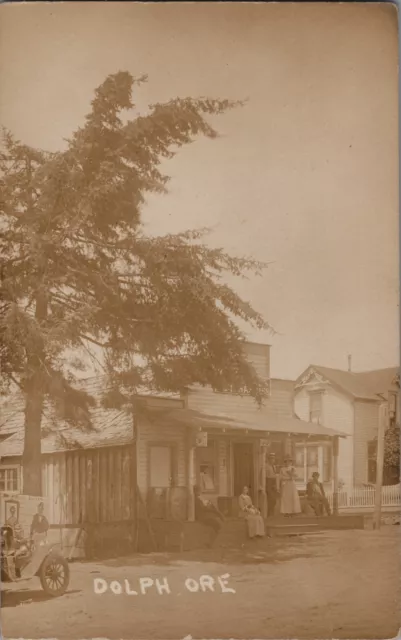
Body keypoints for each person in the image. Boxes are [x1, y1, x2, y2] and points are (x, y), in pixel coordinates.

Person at [265, 453, 279, 518]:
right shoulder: (266, 466)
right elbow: (265, 476)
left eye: (273, 459)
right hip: (268, 482)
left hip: (273, 482)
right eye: (271, 459)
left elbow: (275, 475)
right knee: (270, 499)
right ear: (268, 459)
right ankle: (269, 514)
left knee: (274, 499)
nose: (273, 460)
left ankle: (272, 513)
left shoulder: (274, 466)